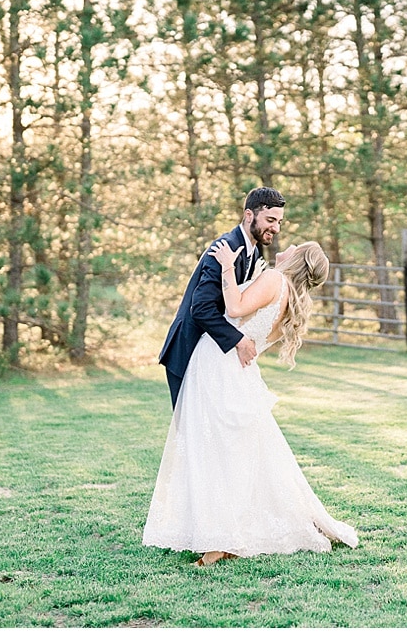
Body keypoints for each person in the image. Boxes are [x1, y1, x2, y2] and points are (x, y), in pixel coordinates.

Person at [142, 237, 359, 566]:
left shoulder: (275, 279)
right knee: (233, 456)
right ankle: (225, 532)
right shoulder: (289, 298)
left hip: (217, 365)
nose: (287, 244)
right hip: (237, 372)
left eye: (296, 245)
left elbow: (234, 309)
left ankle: (217, 542)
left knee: (212, 454)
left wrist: (228, 267)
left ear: (297, 258)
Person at [158, 187, 285, 408]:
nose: (275, 228)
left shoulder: (253, 252)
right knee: (193, 433)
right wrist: (239, 340)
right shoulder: (226, 248)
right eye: (271, 220)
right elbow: (200, 308)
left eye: (279, 222)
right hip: (188, 350)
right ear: (249, 215)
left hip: (213, 356)